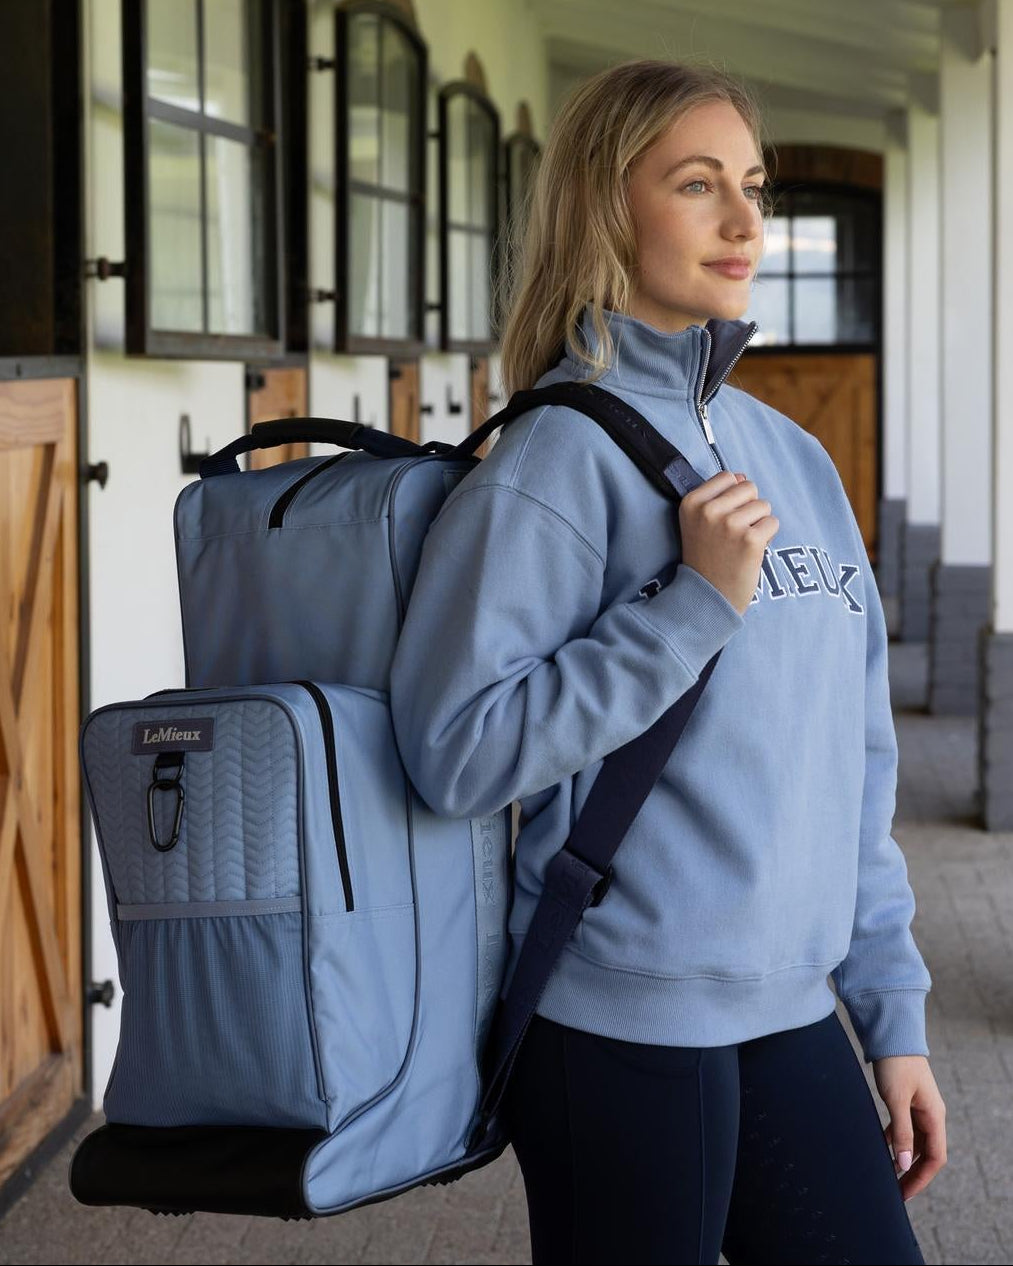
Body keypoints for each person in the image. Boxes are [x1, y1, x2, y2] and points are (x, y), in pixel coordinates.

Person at [388, 57, 947, 1265]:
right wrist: (687, 608)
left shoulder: (791, 456)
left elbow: (852, 766)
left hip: (792, 1009)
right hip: (618, 1020)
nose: (745, 221)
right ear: (606, 207)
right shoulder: (550, 463)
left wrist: (890, 1013)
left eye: (751, 184)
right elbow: (455, 750)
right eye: (697, 185)